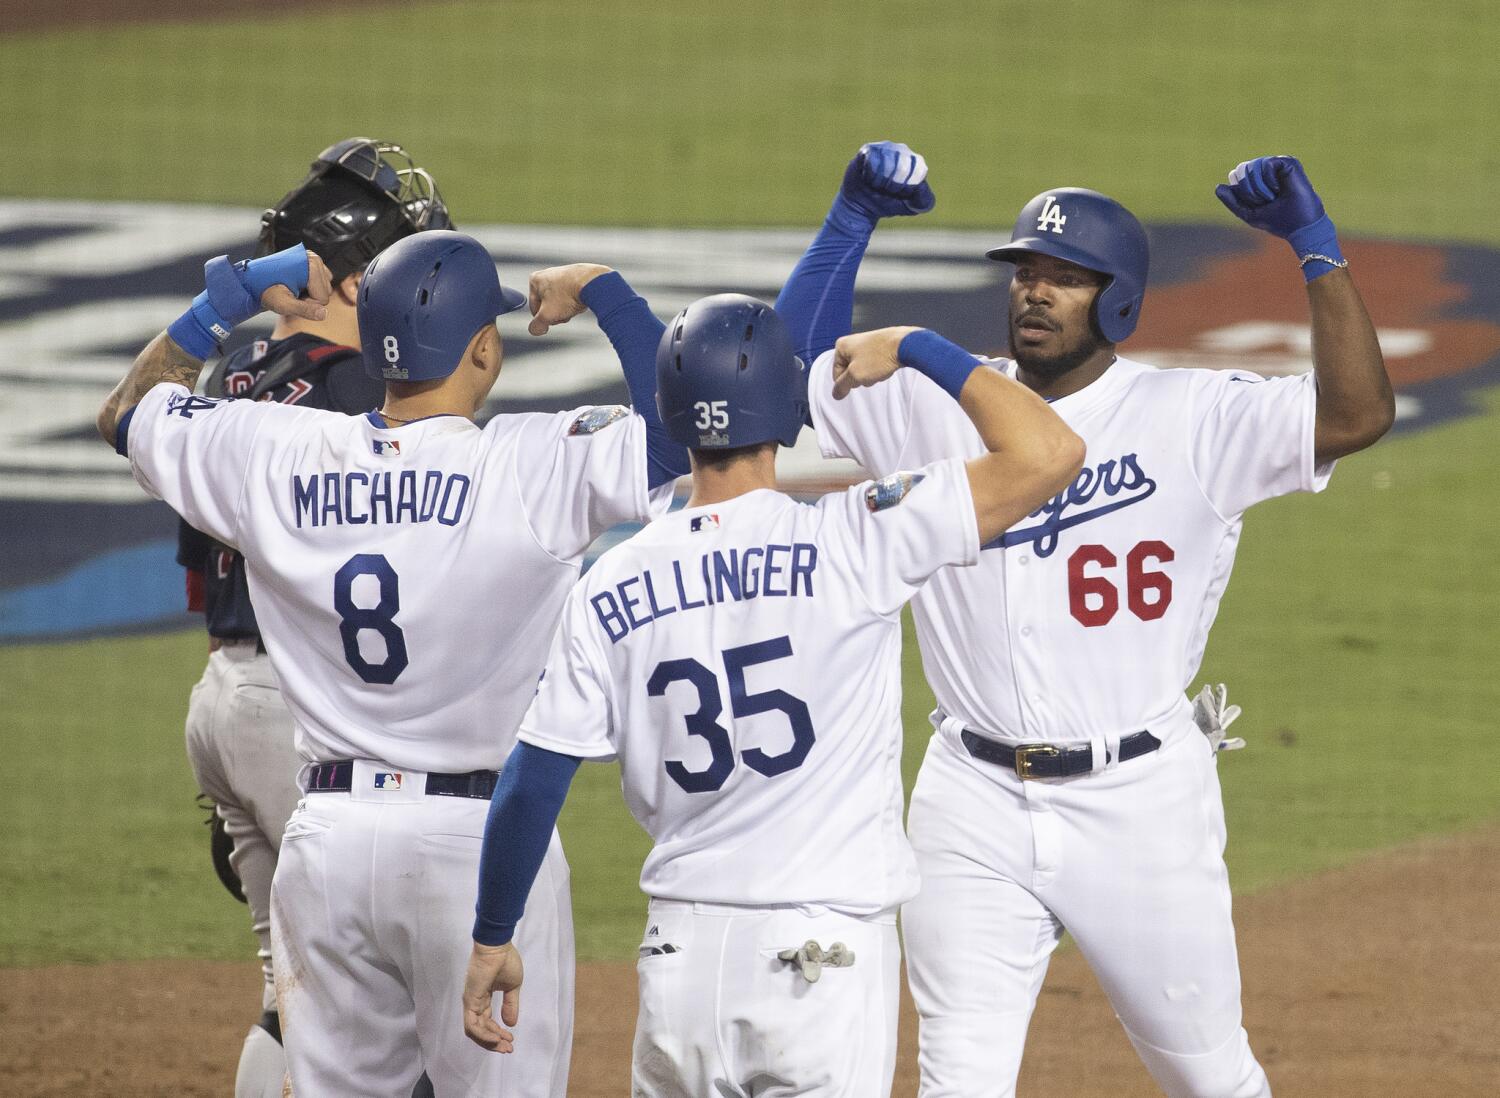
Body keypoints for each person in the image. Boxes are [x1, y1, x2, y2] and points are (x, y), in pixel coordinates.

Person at [777, 154, 1395, 1097]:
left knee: (1210, 1078)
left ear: (1118, 303)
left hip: (1140, 801)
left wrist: (1315, 249)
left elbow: (1355, 414)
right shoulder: (926, 404)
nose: (1035, 292)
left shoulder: (1190, 414)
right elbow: (789, 381)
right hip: (970, 800)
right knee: (959, 1083)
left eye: (1065, 278)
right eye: (1026, 271)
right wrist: (849, 220)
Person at [97, 233, 687, 1096]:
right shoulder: (525, 462)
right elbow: (670, 448)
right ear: (484, 348)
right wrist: (605, 292)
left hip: (327, 844)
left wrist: (236, 295)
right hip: (476, 851)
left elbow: (127, 410)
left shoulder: (277, 450)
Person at [459, 294, 1084, 1097]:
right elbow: (1049, 450)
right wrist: (920, 345)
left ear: (670, 416)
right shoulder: (855, 537)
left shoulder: (610, 579)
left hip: (676, 961)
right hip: (818, 963)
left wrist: (490, 937)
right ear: (792, 410)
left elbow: (534, 777)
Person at [174, 136, 451, 1098]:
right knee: (377, 1008)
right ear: (351, 270)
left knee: (288, 988)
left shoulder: (235, 377)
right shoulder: (356, 392)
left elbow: (197, 573)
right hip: (302, 710)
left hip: (223, 693)